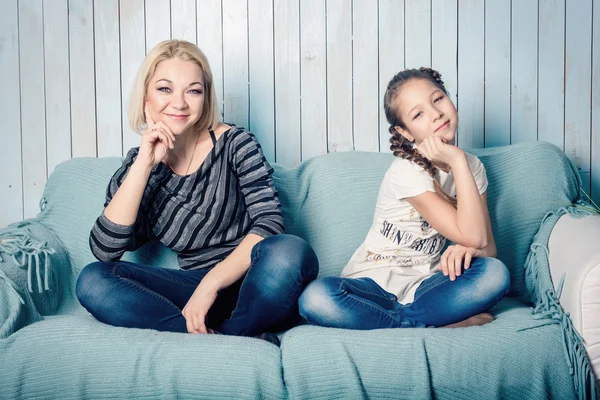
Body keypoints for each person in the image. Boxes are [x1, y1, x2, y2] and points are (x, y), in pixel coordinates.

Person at [76, 39, 318, 344]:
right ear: (145, 99)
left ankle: (232, 330)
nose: (179, 103)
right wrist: (144, 166)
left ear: (205, 98)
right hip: (191, 290)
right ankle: (224, 338)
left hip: (258, 283)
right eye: (165, 89)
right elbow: (105, 251)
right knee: (93, 280)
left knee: (290, 252)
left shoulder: (235, 144)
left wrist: (211, 283)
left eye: (193, 90)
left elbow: (269, 224)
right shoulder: (138, 167)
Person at [298, 67, 509, 329]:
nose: (436, 114)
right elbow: (473, 234)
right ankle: (425, 323)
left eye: (438, 99)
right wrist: (455, 158)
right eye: (418, 114)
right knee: (315, 298)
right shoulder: (407, 171)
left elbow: (487, 248)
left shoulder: (472, 167)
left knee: (495, 274)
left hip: (425, 285)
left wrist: (468, 248)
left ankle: (407, 321)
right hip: (371, 286)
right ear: (407, 132)